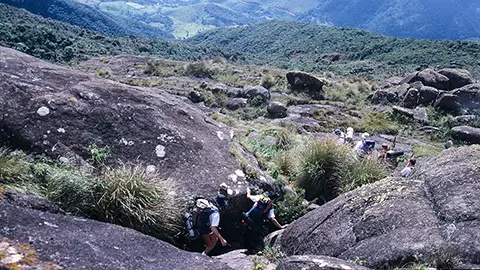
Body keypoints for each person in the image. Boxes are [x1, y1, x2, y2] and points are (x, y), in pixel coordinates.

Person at [242, 187, 286, 254]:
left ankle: (246, 247)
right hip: (253, 222)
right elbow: (273, 219)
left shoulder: (260, 197)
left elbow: (248, 196)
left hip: (246, 217)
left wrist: (248, 191)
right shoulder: (271, 206)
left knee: (246, 233)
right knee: (253, 233)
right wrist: (281, 227)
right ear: (274, 199)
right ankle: (252, 248)